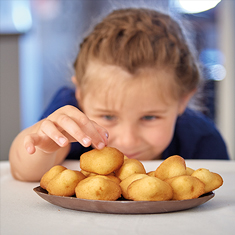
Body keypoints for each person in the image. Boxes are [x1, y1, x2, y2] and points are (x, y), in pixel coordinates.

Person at [9, 8, 229, 182]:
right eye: (108, 117)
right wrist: (44, 150)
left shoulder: (202, 140)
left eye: (149, 117)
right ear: (81, 96)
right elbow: (23, 172)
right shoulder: (69, 123)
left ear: (183, 100)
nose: (128, 140)